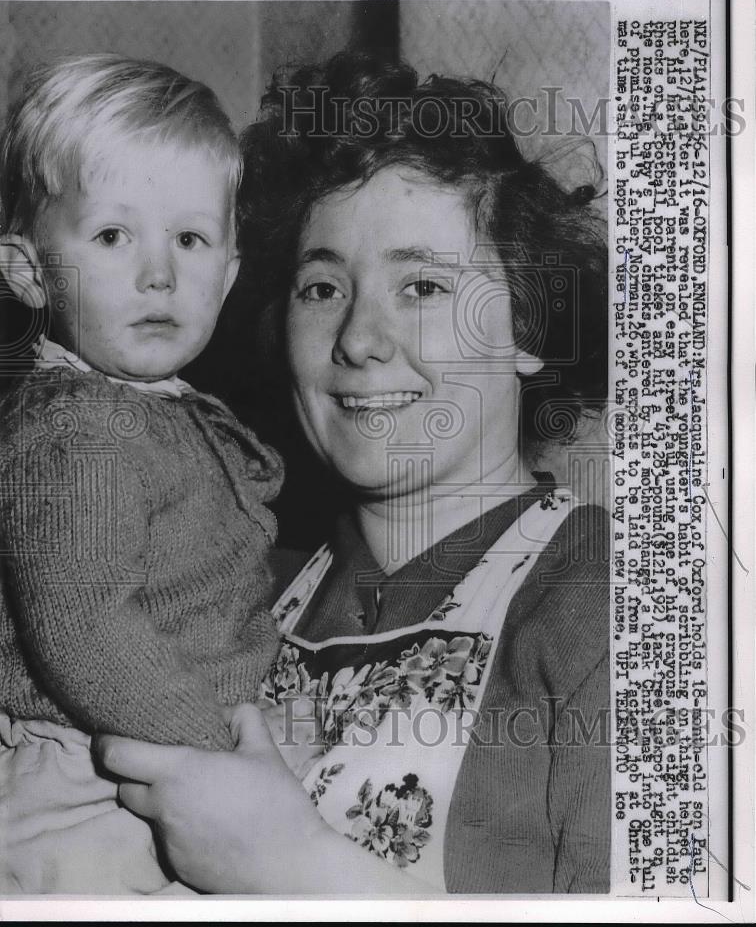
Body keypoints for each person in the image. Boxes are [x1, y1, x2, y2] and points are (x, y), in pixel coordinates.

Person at [100, 51, 611, 895]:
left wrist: (290, 868)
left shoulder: (622, 601)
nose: (360, 339)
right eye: (321, 287)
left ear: (530, 321)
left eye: (421, 286)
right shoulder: (223, 581)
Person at [0, 53, 283, 893]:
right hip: (84, 780)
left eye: (190, 239)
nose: (159, 273)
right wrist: (217, 747)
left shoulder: (142, 406)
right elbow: (84, 628)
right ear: (25, 270)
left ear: (228, 274)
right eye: (113, 235)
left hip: (144, 752)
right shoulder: (78, 427)